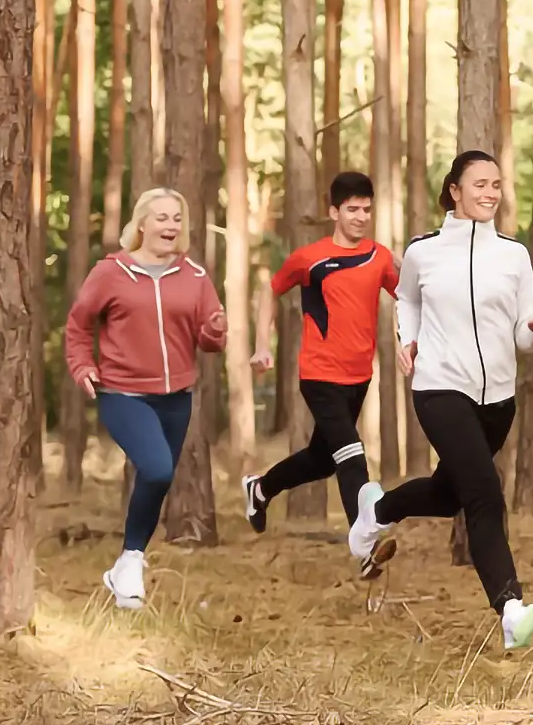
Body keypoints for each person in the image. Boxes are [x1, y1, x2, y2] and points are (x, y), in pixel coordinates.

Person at [346, 151, 533, 649]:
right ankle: (510, 609)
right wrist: (408, 337)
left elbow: (525, 326)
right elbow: (409, 299)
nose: (490, 193)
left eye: (497, 185)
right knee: (485, 493)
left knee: (449, 494)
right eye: (479, 184)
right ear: (454, 191)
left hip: (498, 398)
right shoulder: (424, 250)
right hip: (439, 387)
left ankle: (376, 510)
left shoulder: (514, 254)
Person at [65, 188, 228, 609]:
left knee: (159, 480)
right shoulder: (111, 272)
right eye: (161, 218)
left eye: (177, 218)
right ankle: (132, 561)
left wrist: (214, 330)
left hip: (177, 397)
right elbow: (79, 324)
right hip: (124, 392)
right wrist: (82, 366)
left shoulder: (194, 276)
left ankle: (127, 564)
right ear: (141, 224)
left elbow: (210, 341)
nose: (170, 226)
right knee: (155, 471)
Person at [243, 171, 401, 578]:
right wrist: (263, 344)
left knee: (321, 459)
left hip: (358, 376)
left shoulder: (381, 257)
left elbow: (410, 297)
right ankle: (364, 545)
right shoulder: (309, 257)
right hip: (319, 372)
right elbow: (269, 291)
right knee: (351, 452)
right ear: (334, 211)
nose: (361, 217)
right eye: (352, 210)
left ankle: (260, 488)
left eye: (367, 209)